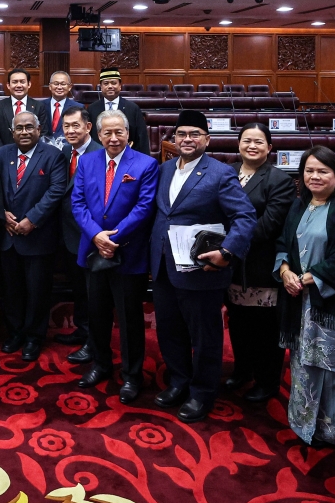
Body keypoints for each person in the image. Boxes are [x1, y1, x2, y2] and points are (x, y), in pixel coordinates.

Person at [151, 110, 256, 423]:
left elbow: (245, 216)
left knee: (205, 336)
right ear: (174, 138)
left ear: (207, 140)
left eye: (194, 134)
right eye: (182, 134)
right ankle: (179, 382)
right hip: (164, 266)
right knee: (169, 330)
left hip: (201, 270)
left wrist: (227, 252)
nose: (187, 139)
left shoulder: (220, 173)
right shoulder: (164, 169)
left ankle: (202, 393)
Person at [275, 145, 335, 447]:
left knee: (333, 366)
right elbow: (282, 242)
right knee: (302, 362)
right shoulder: (299, 205)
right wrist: (285, 271)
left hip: (330, 302)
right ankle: (303, 424)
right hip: (298, 300)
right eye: (309, 170)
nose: (315, 176)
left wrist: (304, 279)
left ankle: (334, 433)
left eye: (322, 171)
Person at [72, 109, 159, 403]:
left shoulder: (146, 164)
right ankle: (101, 364)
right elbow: (78, 204)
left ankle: (132, 375)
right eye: (107, 133)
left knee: (129, 318)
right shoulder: (87, 161)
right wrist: (97, 236)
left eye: (118, 132)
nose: (113, 138)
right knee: (96, 314)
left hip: (129, 253)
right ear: (98, 135)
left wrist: (114, 238)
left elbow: (144, 208)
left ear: (128, 133)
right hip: (93, 251)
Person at [224, 123, 295, 402]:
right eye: (247, 140)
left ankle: (267, 381)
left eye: (258, 142)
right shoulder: (227, 172)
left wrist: (226, 241)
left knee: (264, 327)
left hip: (260, 263)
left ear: (269, 148)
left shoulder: (279, 180)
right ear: (238, 144)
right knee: (238, 321)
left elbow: (268, 225)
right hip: (230, 265)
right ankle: (242, 370)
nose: (252, 146)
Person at [0, 111, 68, 361]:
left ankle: (34, 338)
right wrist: (1, 213)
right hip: (8, 237)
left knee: (38, 292)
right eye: (19, 128)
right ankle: (15, 333)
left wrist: (32, 220)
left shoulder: (53, 156)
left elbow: (56, 190)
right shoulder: (1, 154)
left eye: (29, 127)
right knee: (11, 291)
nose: (24, 132)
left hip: (38, 237)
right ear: (12, 132)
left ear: (39, 130)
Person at [56, 106, 102, 356]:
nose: (71, 130)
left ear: (88, 127)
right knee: (79, 290)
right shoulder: (64, 152)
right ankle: (83, 330)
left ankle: (94, 342)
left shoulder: (100, 154)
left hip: (90, 235)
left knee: (93, 292)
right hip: (67, 235)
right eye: (66, 126)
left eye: (76, 125)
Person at [85, 67, 150, 155]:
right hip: (98, 156)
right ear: (101, 87)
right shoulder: (92, 109)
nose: (110, 86)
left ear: (120, 86)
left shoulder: (132, 108)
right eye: (106, 83)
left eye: (113, 83)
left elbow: (142, 139)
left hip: (127, 157)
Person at [0, 69, 50, 149]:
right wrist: (3, 152)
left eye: (22, 82)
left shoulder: (39, 106)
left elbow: (43, 133)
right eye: (15, 82)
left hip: (33, 153)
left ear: (29, 84)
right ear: (8, 85)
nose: (19, 85)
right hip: (5, 152)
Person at [46, 70, 83, 139]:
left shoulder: (78, 107)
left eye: (63, 84)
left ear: (70, 87)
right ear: (50, 86)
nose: (59, 87)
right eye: (56, 84)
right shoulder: (40, 106)